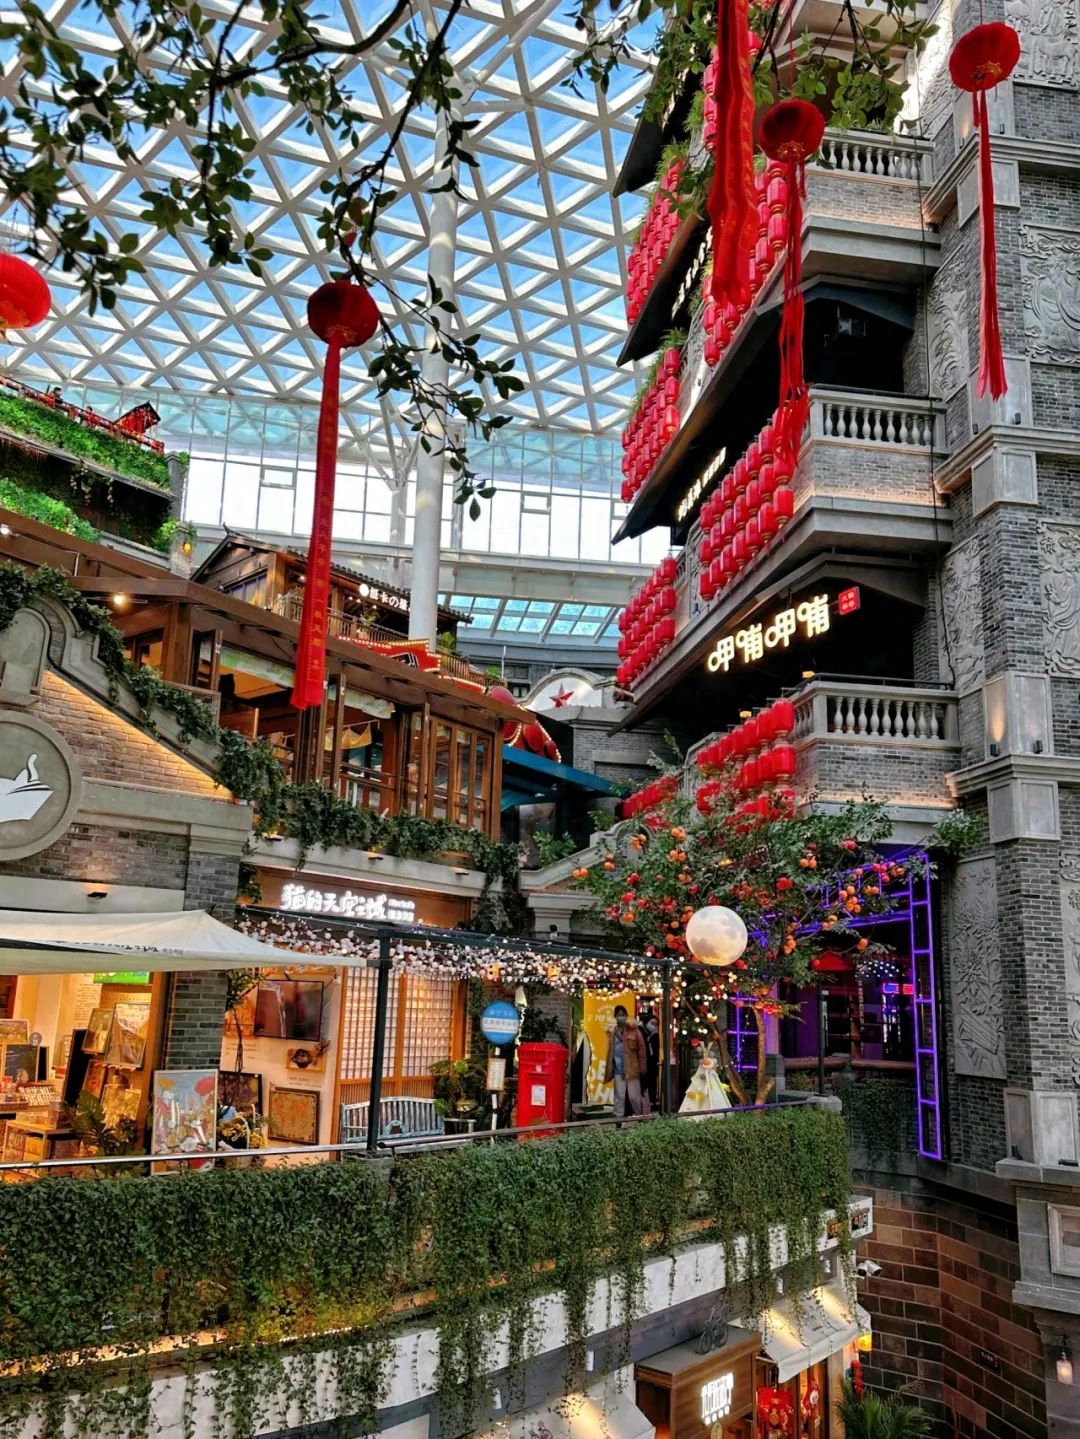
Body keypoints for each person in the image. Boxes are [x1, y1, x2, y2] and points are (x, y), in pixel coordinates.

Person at [604, 1005, 648, 1119]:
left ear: (626, 1016)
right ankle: (618, 1119)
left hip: (632, 1069)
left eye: (623, 1015)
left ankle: (639, 1117)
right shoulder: (612, 1032)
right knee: (619, 1096)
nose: (621, 1017)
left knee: (634, 1097)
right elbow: (610, 1051)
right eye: (619, 1015)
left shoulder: (634, 1031)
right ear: (615, 1016)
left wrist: (643, 1067)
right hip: (618, 1069)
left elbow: (642, 1050)